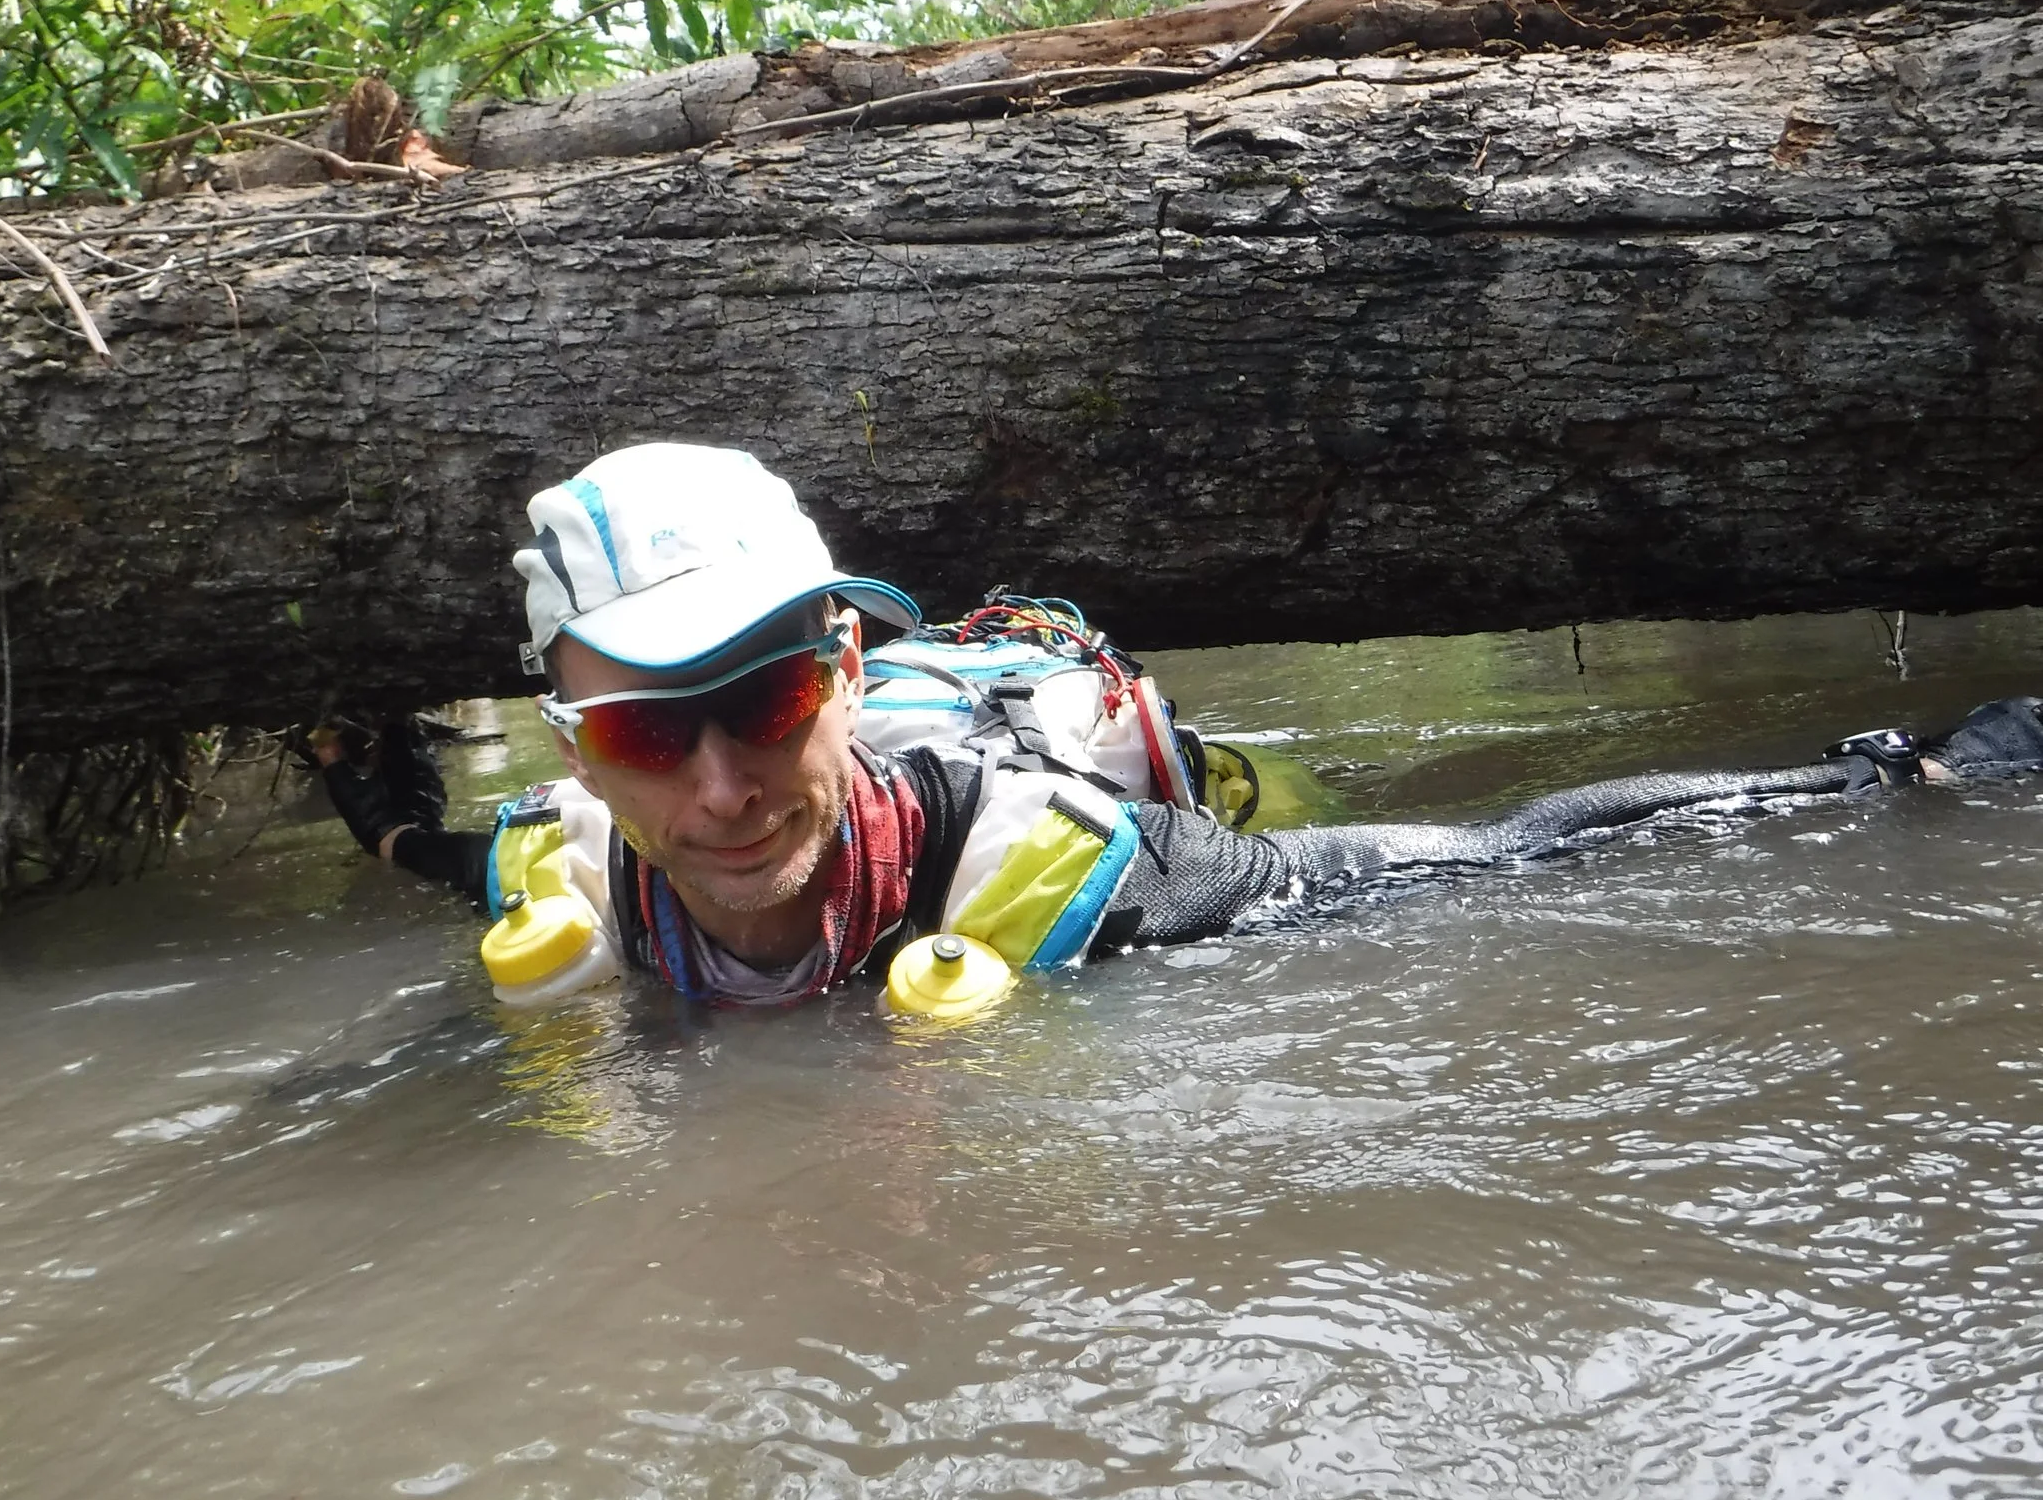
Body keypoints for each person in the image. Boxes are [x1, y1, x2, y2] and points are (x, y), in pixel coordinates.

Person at [316, 443, 2043, 1009]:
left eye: (763, 700)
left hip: (1110, 757)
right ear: (572, 758)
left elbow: (1484, 859)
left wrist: (1892, 771)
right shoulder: (563, 867)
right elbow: (449, 858)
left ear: (841, 669)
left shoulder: (1071, 870)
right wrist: (377, 819)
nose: (716, 790)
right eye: (644, 740)